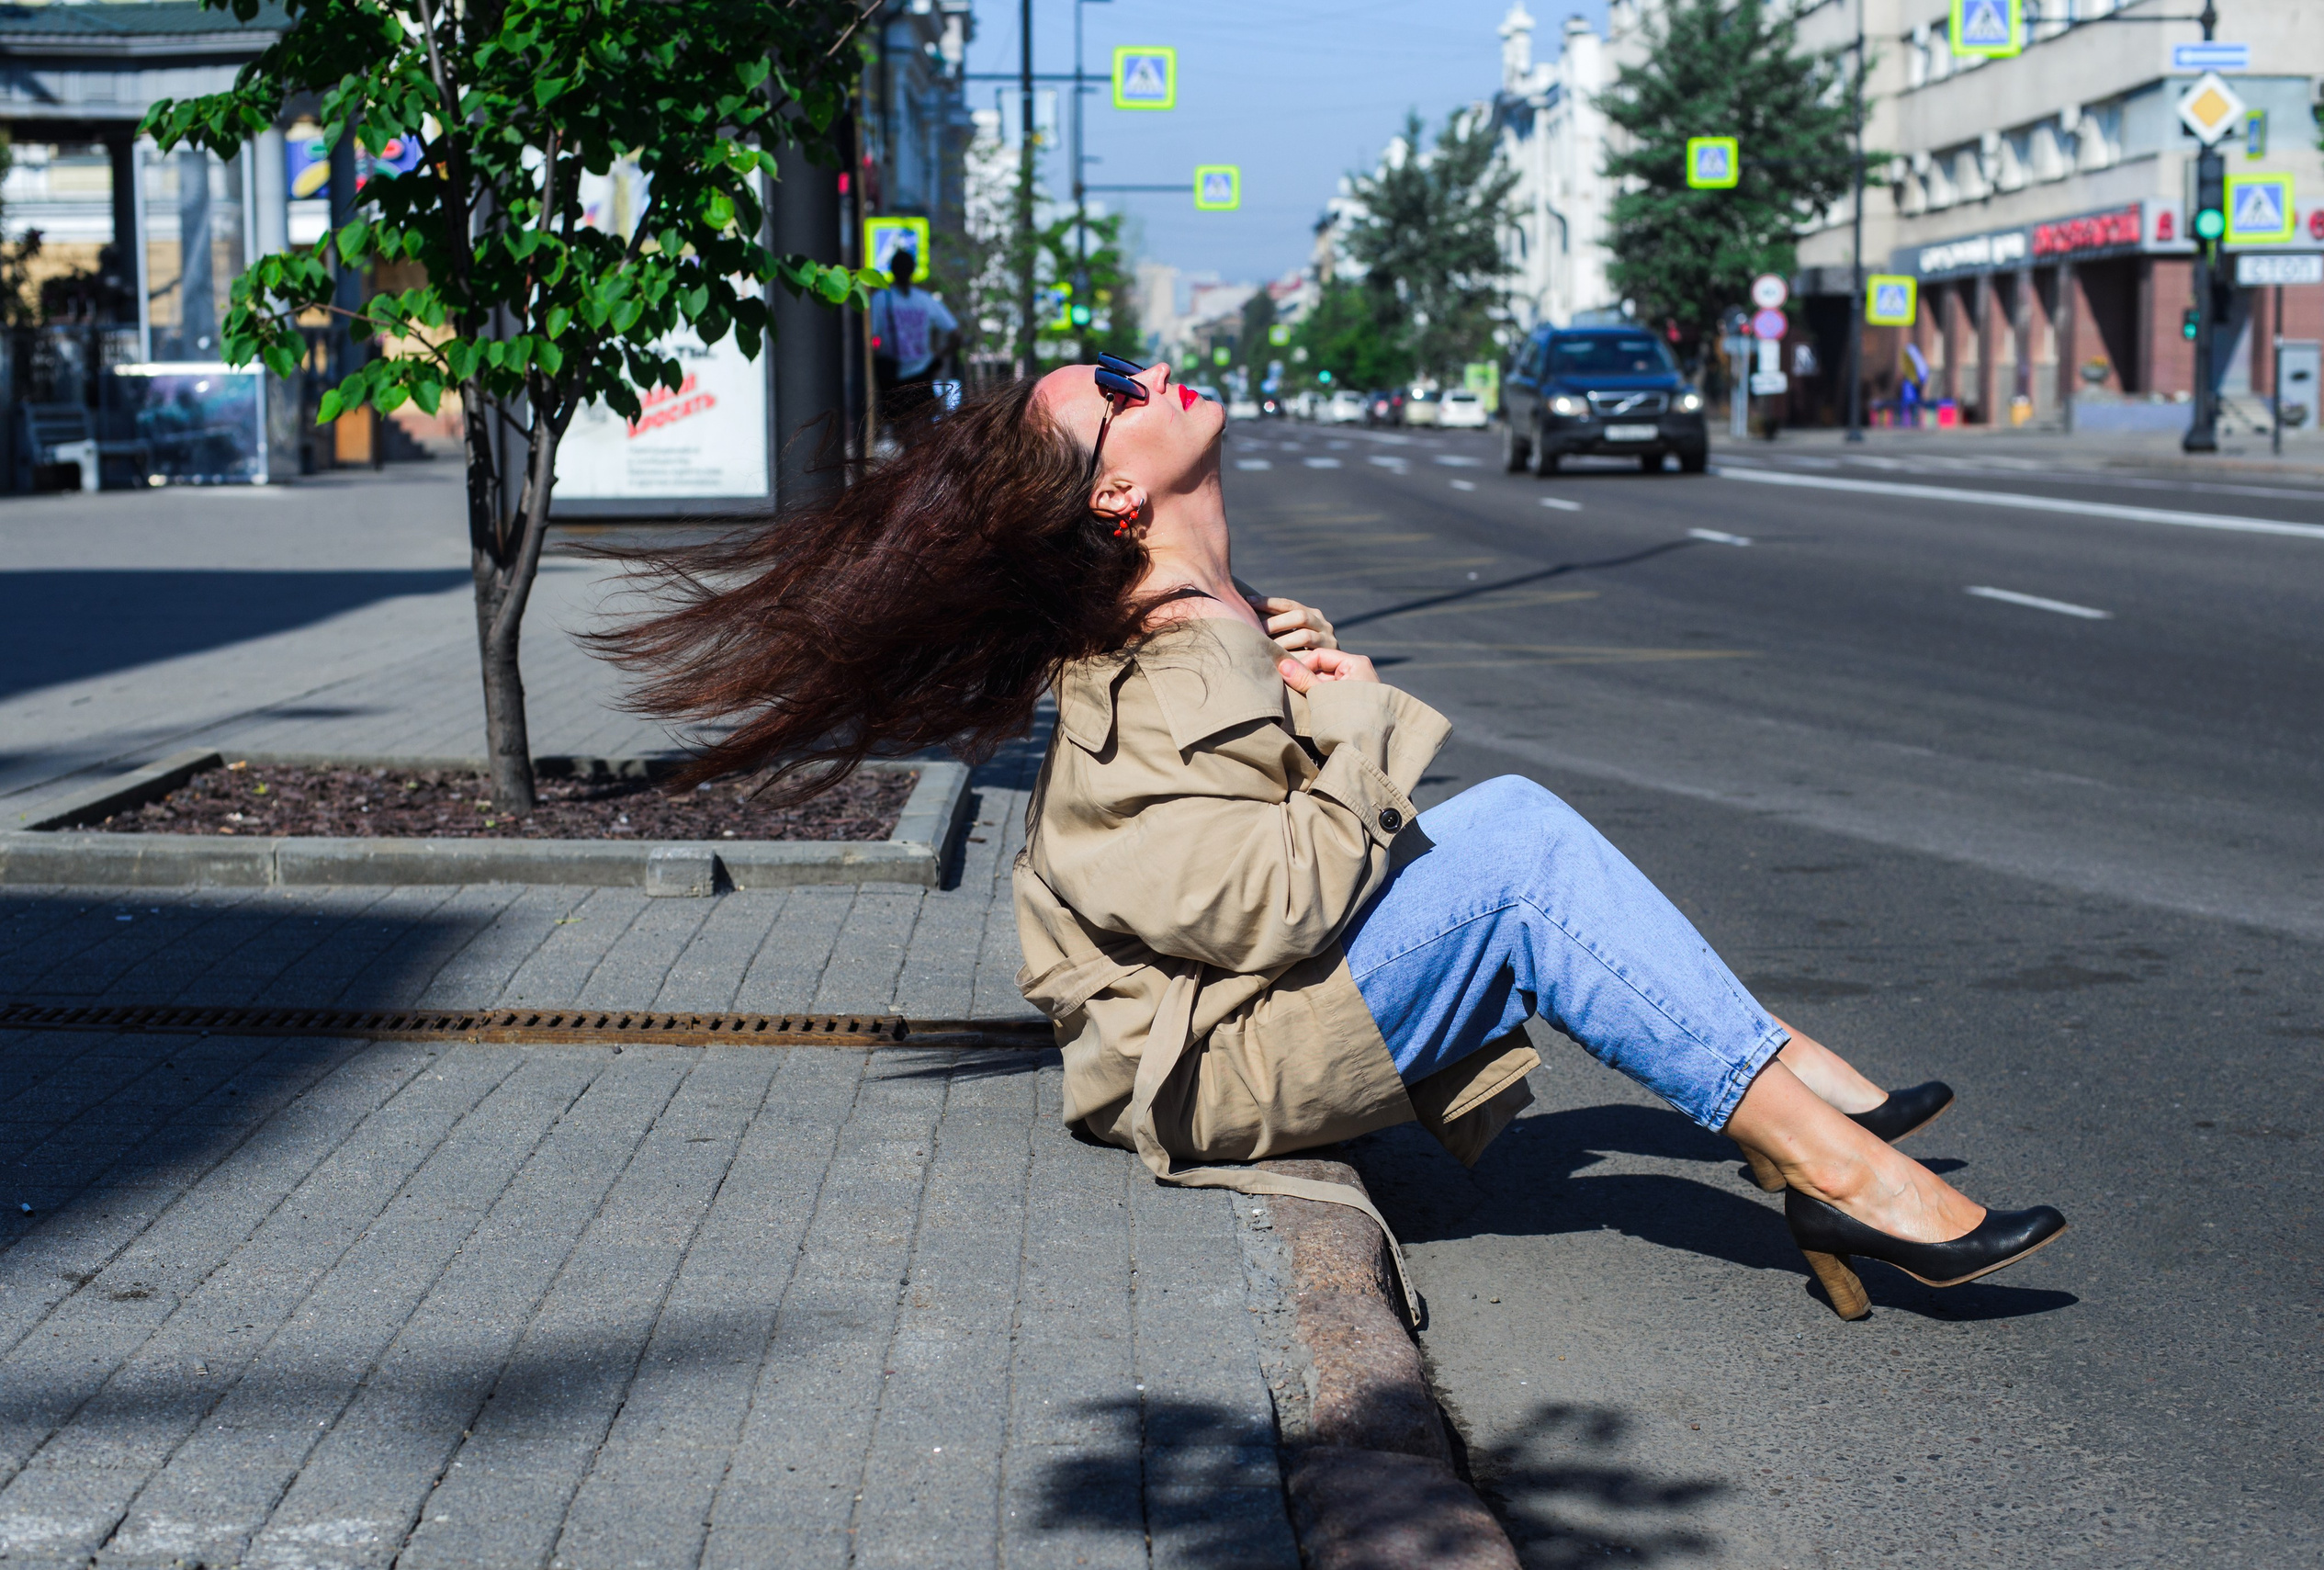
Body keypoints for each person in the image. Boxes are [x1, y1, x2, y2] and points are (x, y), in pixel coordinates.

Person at [594, 355, 2067, 1323]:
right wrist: (1351, 719)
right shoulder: (1161, 665)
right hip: (1213, 1064)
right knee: (1521, 853)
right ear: (1118, 494)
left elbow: (1286, 848)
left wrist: (1314, 686)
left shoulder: (1212, 624)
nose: (1143, 370)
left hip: (1253, 1013)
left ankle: (1802, 1109)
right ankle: (1828, 1156)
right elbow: (1270, 909)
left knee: (1514, 842)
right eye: (1113, 387)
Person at [872, 248, 962, 434]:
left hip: (894, 375)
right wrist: (937, 356)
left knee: (901, 428)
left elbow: (872, 339)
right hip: (921, 372)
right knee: (920, 427)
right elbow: (956, 334)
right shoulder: (925, 300)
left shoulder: (881, 299)